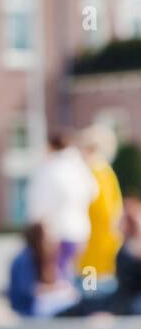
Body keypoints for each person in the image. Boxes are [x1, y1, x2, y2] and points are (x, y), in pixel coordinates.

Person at [25, 132, 98, 279]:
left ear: (50, 146)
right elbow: (93, 193)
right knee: (68, 272)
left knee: (56, 277)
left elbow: (38, 203)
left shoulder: (50, 169)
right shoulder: (79, 167)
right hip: (79, 231)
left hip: (55, 232)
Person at [77, 123, 123, 279]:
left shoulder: (95, 172)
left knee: (91, 290)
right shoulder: (105, 171)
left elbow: (104, 211)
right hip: (104, 242)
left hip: (95, 243)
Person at [8, 222, 79, 317]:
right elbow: (28, 290)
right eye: (47, 236)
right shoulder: (24, 259)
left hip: (35, 307)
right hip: (27, 309)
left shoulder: (37, 256)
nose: (51, 240)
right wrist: (56, 288)